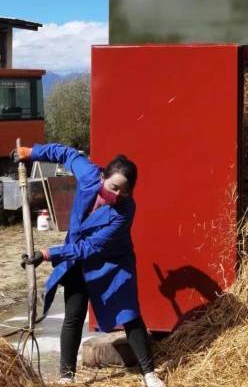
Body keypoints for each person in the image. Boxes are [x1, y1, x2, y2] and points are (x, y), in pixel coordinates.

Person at [15, 144, 165, 387]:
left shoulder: (124, 211)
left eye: (125, 191)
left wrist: (47, 254)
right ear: (102, 177)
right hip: (76, 257)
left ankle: (149, 373)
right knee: (73, 315)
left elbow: (91, 247)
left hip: (111, 264)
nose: (118, 195)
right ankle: (66, 376)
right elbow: (66, 154)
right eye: (114, 187)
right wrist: (32, 153)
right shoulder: (88, 175)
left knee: (129, 314)